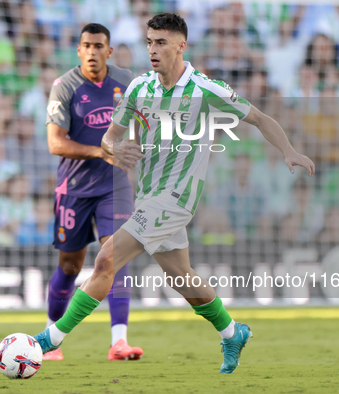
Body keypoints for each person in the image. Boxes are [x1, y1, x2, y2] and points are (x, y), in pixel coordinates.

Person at [33, 13, 315, 374]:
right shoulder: (139, 88)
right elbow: (110, 135)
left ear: (181, 45)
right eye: (150, 41)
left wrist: (288, 150)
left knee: (106, 259)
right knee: (181, 276)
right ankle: (232, 332)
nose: (152, 49)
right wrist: (112, 148)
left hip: (178, 199)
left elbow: (260, 118)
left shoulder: (205, 89)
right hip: (149, 196)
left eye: (161, 42)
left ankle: (50, 339)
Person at [42, 23, 143, 362]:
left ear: (109, 51)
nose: (92, 51)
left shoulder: (126, 82)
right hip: (74, 188)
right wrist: (102, 150)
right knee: (70, 266)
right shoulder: (65, 86)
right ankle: (52, 339)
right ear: (79, 50)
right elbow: (55, 143)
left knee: (115, 255)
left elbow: (146, 121)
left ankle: (119, 342)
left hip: (114, 186)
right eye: (86, 45)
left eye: (99, 46)